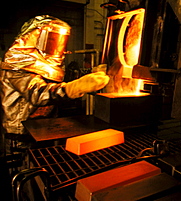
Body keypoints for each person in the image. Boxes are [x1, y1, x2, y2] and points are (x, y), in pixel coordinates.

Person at [0, 15, 110, 158]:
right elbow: (38, 93)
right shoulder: (17, 62)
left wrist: (89, 80)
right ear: (36, 36)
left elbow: (53, 86)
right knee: (28, 175)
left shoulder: (43, 64)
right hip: (21, 134)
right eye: (53, 39)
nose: (58, 46)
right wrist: (72, 88)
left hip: (43, 130)